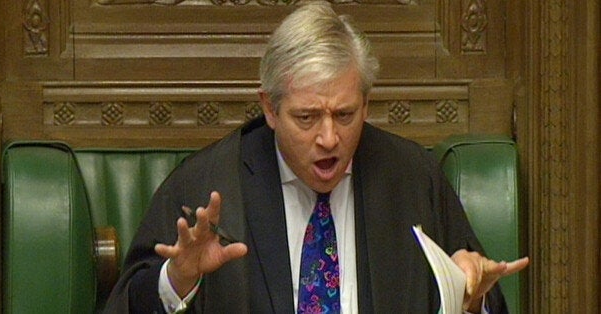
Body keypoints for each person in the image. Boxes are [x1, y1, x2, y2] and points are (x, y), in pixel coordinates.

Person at [104, 2, 529, 313]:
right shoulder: (208, 185)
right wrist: (178, 281)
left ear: (366, 104)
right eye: (306, 117)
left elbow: (481, 296)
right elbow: (124, 306)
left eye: (345, 115)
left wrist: (472, 301)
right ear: (270, 108)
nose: (330, 138)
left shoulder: (412, 177)